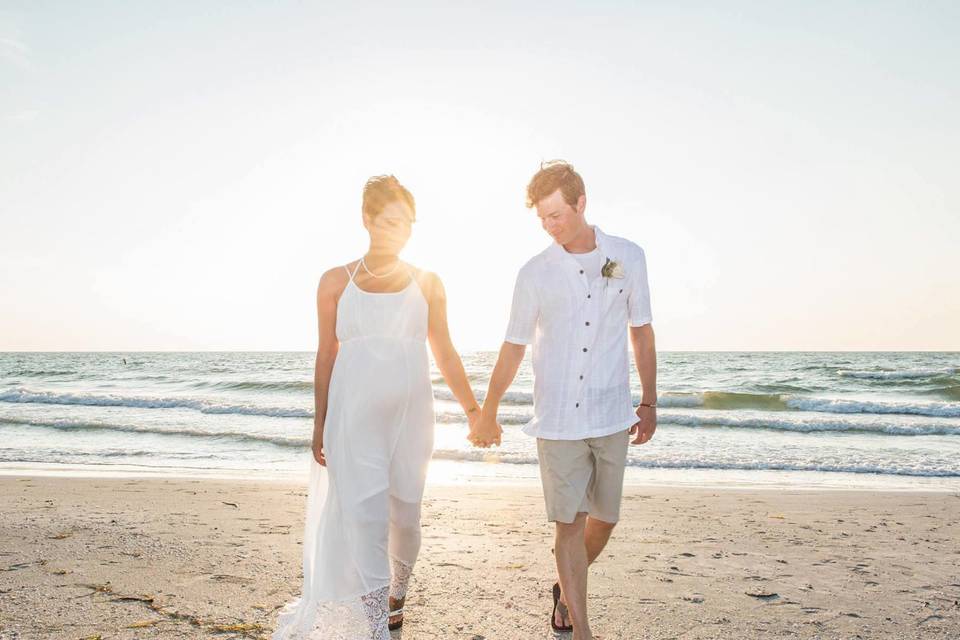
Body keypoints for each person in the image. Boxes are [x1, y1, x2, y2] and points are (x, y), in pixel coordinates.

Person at [273, 175, 482, 639]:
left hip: (411, 419)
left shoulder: (427, 282)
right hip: (352, 420)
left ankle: (397, 594)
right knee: (365, 520)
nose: (399, 231)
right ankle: (375, 628)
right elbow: (326, 354)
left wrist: (473, 411)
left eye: (407, 223)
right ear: (367, 220)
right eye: (390, 222)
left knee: (405, 516)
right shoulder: (334, 281)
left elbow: (444, 349)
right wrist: (319, 423)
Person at [469, 160, 658, 640]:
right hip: (556, 420)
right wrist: (489, 409)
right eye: (543, 219)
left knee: (605, 520)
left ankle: (564, 585)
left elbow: (641, 331)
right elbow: (513, 345)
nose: (551, 226)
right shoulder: (534, 273)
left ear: (581, 203)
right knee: (568, 525)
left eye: (558, 215)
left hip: (612, 412)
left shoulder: (627, 257)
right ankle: (581, 628)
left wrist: (649, 401)